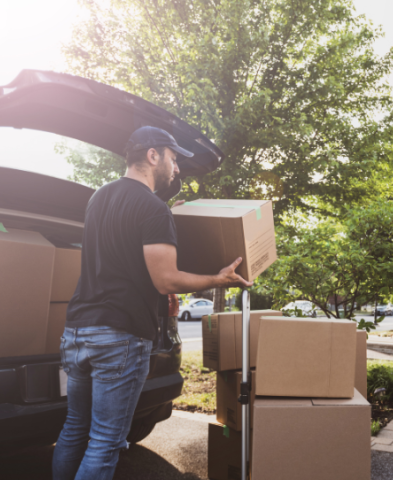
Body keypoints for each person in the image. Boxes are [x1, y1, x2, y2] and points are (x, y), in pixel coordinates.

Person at [52, 126, 252, 480]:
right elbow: (166, 278)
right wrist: (218, 279)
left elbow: (124, 259)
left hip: (77, 331)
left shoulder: (99, 197)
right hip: (119, 336)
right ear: (153, 155)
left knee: (74, 429)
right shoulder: (152, 209)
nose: (176, 170)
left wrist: (166, 217)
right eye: (174, 159)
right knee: (104, 441)